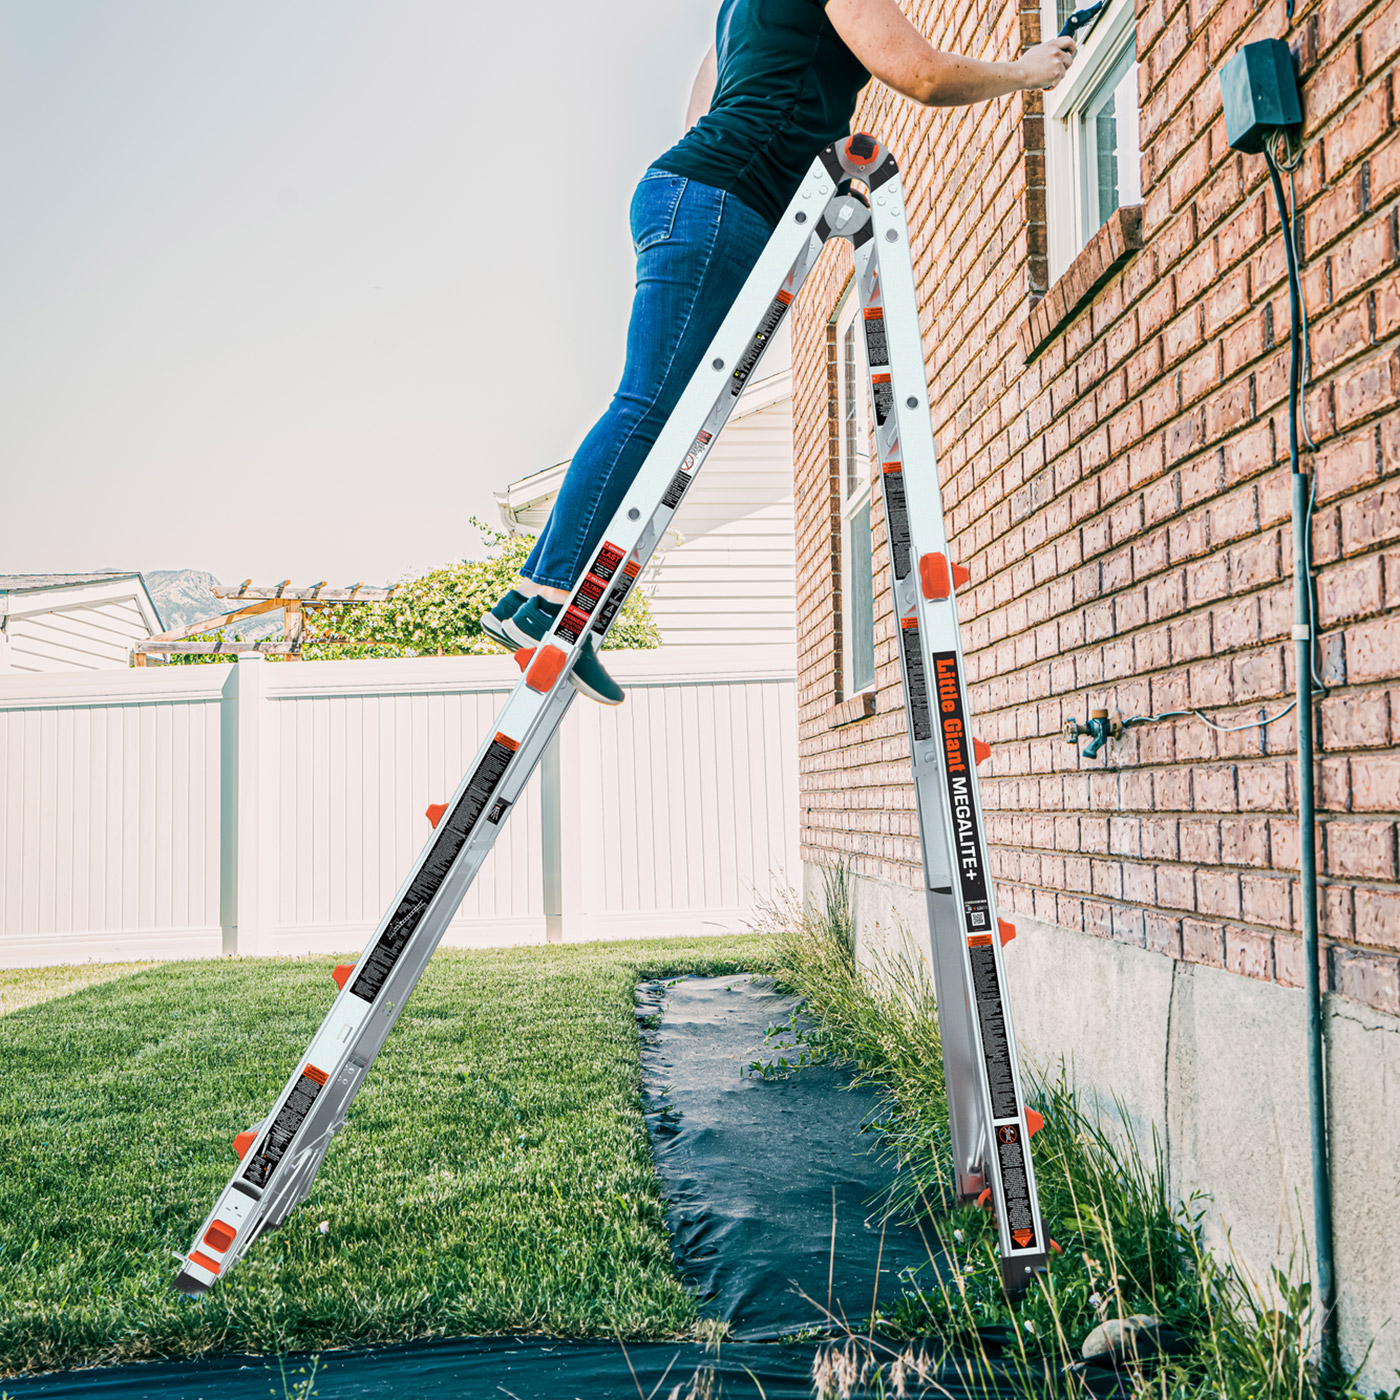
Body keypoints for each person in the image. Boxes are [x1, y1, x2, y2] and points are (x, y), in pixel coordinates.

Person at [482, 0, 1076, 704]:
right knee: (651, 405)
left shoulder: (737, 11)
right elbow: (920, 74)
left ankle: (534, 598)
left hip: (693, 195)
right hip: (715, 204)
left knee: (654, 407)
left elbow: (701, 108)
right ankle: (552, 600)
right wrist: (1024, 71)